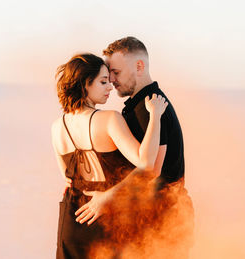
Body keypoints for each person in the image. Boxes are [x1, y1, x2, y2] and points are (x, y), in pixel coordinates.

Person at [77, 36, 194, 257]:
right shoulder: (142, 105)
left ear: (139, 66)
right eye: (109, 74)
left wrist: (107, 197)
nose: (111, 79)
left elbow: (151, 172)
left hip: (164, 220)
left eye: (116, 72)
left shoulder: (148, 107)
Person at [51, 53, 168, 259]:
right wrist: (155, 116)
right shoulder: (108, 119)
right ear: (85, 84)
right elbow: (146, 164)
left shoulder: (57, 127)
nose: (110, 88)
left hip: (73, 218)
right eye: (103, 81)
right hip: (107, 219)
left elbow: (67, 178)